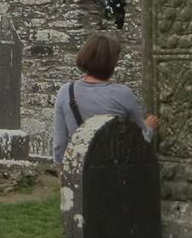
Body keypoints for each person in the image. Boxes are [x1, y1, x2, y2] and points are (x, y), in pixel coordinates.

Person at [52, 32, 158, 163]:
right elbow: (140, 140)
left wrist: (61, 171)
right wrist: (150, 127)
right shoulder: (123, 94)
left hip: (80, 172)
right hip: (112, 171)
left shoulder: (66, 91)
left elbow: (59, 144)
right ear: (112, 63)